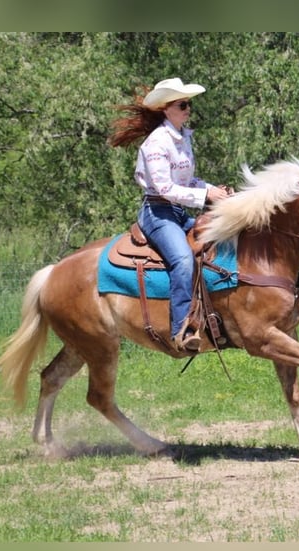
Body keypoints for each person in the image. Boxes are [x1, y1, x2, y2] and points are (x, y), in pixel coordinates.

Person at [109, 78, 231, 352]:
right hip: (157, 212)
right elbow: (164, 188)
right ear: (166, 109)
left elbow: (187, 182)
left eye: (189, 104)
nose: (188, 109)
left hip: (176, 211)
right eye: (183, 104)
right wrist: (205, 197)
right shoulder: (156, 144)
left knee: (217, 242)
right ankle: (181, 331)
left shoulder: (182, 138)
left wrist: (214, 190)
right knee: (183, 259)